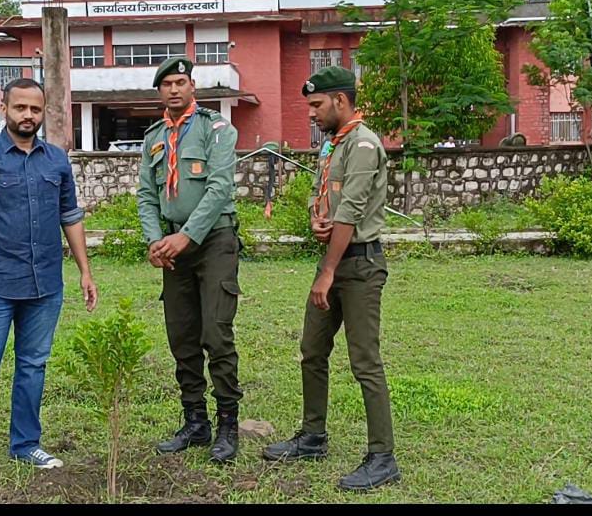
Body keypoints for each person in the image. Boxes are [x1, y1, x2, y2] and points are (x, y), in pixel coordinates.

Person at [0, 77, 98, 496]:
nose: (28, 116)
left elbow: (71, 216)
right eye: (20, 108)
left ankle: (25, 444)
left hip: (46, 285)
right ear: (4, 108)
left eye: (35, 109)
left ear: (43, 111)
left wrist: (85, 270)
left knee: (33, 367)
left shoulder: (56, 161)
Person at [262, 65, 401, 491]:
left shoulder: (361, 144)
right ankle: (313, 437)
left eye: (317, 105)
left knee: (365, 362)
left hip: (358, 267)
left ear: (341, 101)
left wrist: (326, 272)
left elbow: (354, 209)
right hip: (335, 256)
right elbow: (322, 196)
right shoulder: (332, 147)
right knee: (312, 350)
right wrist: (315, 219)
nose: (311, 114)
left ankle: (383, 457)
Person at [136, 56, 243, 463]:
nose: (175, 89)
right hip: (172, 247)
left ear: (192, 87)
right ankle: (195, 422)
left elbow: (218, 189)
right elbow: (147, 195)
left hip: (213, 240)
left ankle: (228, 424)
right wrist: (154, 240)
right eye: (168, 84)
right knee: (181, 337)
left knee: (215, 334)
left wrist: (185, 237)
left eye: (182, 82)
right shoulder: (153, 137)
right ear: (160, 92)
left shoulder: (216, 129)